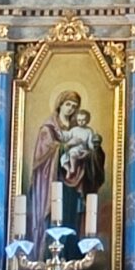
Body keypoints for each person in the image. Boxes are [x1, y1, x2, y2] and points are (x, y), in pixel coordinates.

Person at [26, 90, 106, 246]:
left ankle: (71, 250)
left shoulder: (80, 128)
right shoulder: (49, 128)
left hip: (75, 185)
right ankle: (50, 251)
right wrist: (65, 147)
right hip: (54, 182)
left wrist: (92, 152)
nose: (71, 109)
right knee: (56, 217)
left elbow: (93, 150)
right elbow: (42, 155)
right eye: (68, 104)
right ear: (60, 104)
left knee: (72, 217)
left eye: (74, 106)